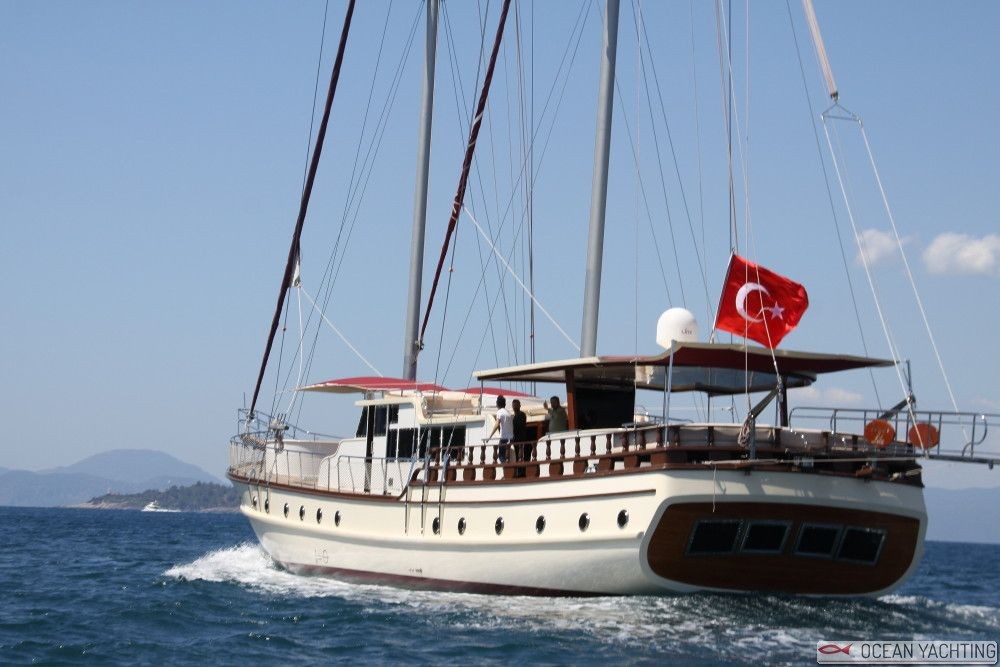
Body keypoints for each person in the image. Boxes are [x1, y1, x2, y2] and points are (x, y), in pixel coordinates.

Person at [487, 395, 513, 462]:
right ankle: (507, 466)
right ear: (505, 404)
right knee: (506, 456)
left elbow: (497, 424)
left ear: (497, 404)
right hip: (511, 438)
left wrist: (489, 437)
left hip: (504, 438)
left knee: (501, 457)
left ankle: (506, 467)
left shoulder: (499, 412)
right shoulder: (508, 413)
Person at [511, 399, 530, 464]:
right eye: (513, 405)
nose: (514, 407)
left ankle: (520, 469)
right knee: (516, 455)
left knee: (520, 456)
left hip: (520, 439)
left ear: (519, 406)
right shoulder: (514, 416)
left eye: (516, 405)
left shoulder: (521, 415)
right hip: (516, 439)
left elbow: (518, 426)